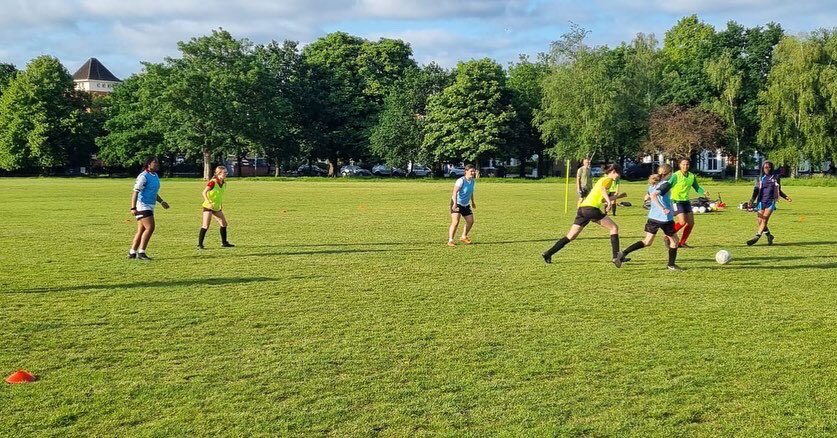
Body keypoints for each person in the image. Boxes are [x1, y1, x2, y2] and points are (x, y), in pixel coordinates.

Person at [542, 164, 624, 268]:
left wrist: (617, 197)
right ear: (613, 172)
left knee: (570, 236)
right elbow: (603, 191)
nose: (619, 176)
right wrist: (609, 202)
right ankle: (616, 257)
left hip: (582, 208)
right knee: (614, 228)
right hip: (591, 209)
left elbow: (601, 198)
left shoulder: (601, 180)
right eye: (618, 173)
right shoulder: (608, 180)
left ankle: (548, 253)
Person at [616, 164, 682, 271]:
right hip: (664, 219)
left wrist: (651, 202)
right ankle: (671, 265)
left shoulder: (653, 184)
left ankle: (623, 253)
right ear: (669, 173)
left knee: (647, 242)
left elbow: (646, 197)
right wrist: (662, 208)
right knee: (674, 240)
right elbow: (653, 196)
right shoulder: (666, 184)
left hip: (652, 217)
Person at [129, 157, 169, 260]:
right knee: (150, 227)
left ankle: (132, 252)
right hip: (142, 205)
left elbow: (153, 192)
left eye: (157, 162)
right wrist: (133, 207)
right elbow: (135, 192)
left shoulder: (155, 175)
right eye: (154, 162)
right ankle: (141, 252)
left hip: (149, 205)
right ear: (148, 164)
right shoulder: (143, 176)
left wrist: (161, 201)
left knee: (142, 229)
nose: (157, 164)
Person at [746, 160, 792, 246]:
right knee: (760, 221)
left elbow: (779, 190)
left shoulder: (776, 177)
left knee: (764, 219)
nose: (768, 169)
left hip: (770, 201)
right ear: (763, 168)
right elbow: (756, 190)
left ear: (772, 168)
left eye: (769, 167)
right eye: (766, 167)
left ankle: (757, 236)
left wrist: (785, 197)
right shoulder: (760, 178)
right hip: (761, 201)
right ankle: (769, 236)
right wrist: (752, 200)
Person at [668, 158, 709, 248]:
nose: (685, 166)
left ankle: (682, 243)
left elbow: (697, 187)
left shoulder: (691, 176)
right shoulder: (676, 175)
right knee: (682, 222)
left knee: (690, 223)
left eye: (687, 164)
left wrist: (704, 192)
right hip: (675, 201)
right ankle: (668, 235)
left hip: (686, 201)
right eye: (683, 164)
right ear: (679, 165)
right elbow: (667, 186)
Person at [198, 166, 235, 249]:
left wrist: (220, 204)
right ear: (219, 173)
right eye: (224, 172)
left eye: (226, 172)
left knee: (224, 223)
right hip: (208, 206)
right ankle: (200, 244)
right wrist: (208, 201)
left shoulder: (224, 183)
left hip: (216, 207)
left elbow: (219, 196)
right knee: (205, 225)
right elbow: (204, 192)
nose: (226, 174)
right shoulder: (212, 182)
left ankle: (224, 243)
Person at [448, 164, 477, 246]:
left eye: (474, 171)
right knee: (455, 222)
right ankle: (450, 240)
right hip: (457, 203)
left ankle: (464, 236)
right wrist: (455, 204)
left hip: (466, 204)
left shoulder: (472, 181)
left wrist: (473, 202)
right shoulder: (461, 180)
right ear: (466, 171)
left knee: (470, 221)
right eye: (471, 171)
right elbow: (454, 192)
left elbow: (470, 192)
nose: (473, 173)